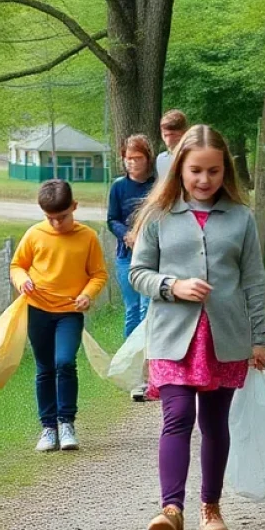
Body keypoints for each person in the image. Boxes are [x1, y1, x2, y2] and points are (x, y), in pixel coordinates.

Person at [130, 125, 265, 530]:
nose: (204, 179)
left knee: (213, 423)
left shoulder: (241, 218)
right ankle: (171, 511)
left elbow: (254, 281)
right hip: (172, 336)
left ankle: (211, 506)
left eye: (213, 171)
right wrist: (173, 285)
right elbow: (138, 273)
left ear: (225, 171)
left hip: (225, 337)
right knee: (177, 418)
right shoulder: (158, 215)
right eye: (195, 171)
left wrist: (259, 338)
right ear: (179, 169)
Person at [11, 180, 108, 453]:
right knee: (44, 368)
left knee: (64, 362)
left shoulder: (87, 237)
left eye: (62, 217)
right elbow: (17, 265)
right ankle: (48, 427)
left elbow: (98, 274)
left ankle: (66, 423)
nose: (56, 224)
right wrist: (22, 281)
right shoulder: (34, 234)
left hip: (69, 312)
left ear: (74, 207)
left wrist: (87, 294)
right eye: (50, 218)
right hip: (38, 309)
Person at [108, 135, 157, 400]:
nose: (132, 163)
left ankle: (150, 369)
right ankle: (132, 366)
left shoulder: (157, 185)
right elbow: (112, 219)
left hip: (152, 258)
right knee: (133, 310)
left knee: (148, 308)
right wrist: (126, 235)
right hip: (127, 255)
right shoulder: (118, 187)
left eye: (137, 158)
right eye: (128, 159)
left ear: (147, 159)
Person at [156, 109, 188, 179]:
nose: (168, 141)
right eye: (165, 135)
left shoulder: (193, 157)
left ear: (184, 133)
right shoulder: (161, 159)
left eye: (172, 135)